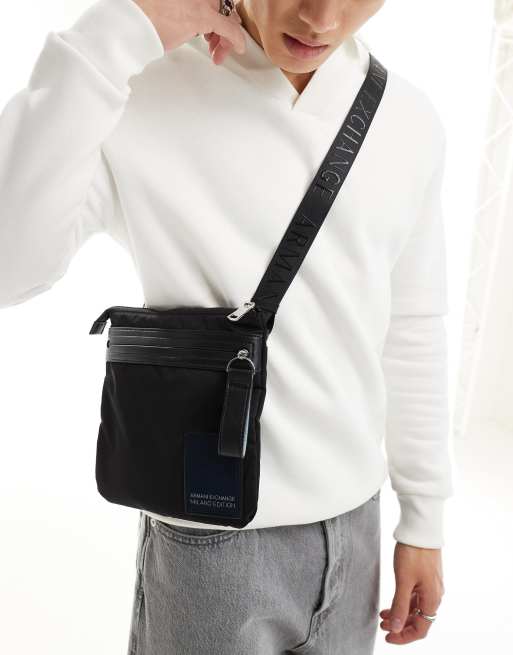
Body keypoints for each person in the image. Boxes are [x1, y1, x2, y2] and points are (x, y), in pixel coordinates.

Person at [0, 0, 454, 652]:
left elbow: (412, 327)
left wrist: (424, 519)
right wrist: (115, 34)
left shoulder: (407, 119)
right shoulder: (138, 88)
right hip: (207, 546)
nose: (322, 18)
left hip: (356, 528)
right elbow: (9, 268)